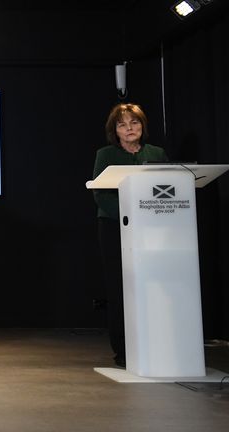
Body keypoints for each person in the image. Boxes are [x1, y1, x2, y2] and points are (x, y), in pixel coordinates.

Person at [92, 103, 168, 368]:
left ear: (142, 125)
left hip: (153, 228)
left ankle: (157, 343)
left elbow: (167, 188)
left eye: (134, 123)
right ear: (115, 130)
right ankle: (123, 350)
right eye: (123, 125)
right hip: (115, 227)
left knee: (153, 286)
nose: (129, 129)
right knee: (119, 288)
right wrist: (131, 214)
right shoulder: (106, 155)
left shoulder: (157, 153)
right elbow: (101, 194)